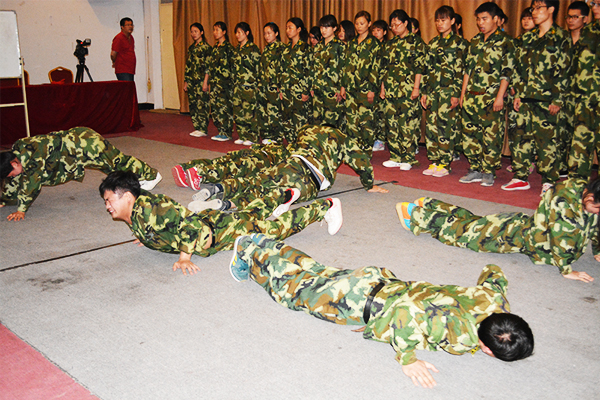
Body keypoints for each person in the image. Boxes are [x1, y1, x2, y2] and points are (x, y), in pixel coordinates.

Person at [229, 234, 534, 388]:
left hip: (379, 279)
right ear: (486, 348)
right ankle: (248, 252)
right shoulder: (454, 330)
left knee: (316, 271)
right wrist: (408, 360)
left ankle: (265, 242)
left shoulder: (494, 301)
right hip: (356, 300)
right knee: (292, 293)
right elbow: (406, 311)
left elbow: (494, 271)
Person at [99, 171, 344, 275]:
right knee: (249, 214)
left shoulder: (154, 208)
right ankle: (283, 195)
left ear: (128, 197)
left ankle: (326, 206)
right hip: (214, 223)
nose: (108, 206)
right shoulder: (136, 212)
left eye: (110, 200)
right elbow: (160, 228)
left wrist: (184, 257)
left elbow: (188, 226)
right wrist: (146, 237)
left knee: (274, 230)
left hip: (219, 232)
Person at [397, 177, 600, 283]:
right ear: (589, 197)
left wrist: (597, 250)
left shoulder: (581, 190)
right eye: (597, 208)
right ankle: (415, 214)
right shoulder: (564, 202)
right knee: (465, 235)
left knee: (475, 224)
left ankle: (431, 204)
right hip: (515, 236)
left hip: (520, 229)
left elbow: (595, 226)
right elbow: (561, 238)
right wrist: (566, 270)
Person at [189, 125, 388, 212]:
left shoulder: (307, 130)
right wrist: (369, 185)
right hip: (310, 179)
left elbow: (289, 149)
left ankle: (217, 188)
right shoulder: (342, 138)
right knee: (270, 196)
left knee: (255, 181)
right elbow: (361, 162)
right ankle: (224, 205)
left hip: (291, 163)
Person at [0, 127, 161, 221]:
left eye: (12, 173)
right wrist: (5, 200)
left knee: (118, 162)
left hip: (86, 145)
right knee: (112, 171)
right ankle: (138, 178)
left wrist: (21, 210)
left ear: (15, 163)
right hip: (73, 149)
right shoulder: (16, 152)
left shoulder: (33, 158)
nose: (12, 177)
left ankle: (151, 175)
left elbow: (31, 184)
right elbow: (13, 179)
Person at [504, 0, 570, 195]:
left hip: (546, 99)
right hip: (525, 98)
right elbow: (518, 68)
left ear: (551, 9)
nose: (534, 12)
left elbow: (564, 70)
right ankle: (520, 176)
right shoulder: (528, 37)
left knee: (547, 142)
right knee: (520, 138)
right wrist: (517, 92)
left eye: (539, 8)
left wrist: (558, 99)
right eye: (533, 8)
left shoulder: (561, 37)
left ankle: (549, 181)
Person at [459, 2, 515, 188]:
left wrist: (500, 96)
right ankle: (474, 168)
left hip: (491, 97)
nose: (480, 23)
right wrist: (463, 94)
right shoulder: (475, 41)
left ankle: (488, 171)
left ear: (496, 19)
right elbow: (467, 70)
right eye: (478, 19)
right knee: (470, 134)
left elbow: (507, 72)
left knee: (491, 135)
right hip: (472, 95)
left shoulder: (506, 41)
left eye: (484, 19)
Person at [420, 6, 467, 178]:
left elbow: (461, 71)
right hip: (433, 92)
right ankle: (434, 160)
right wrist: (424, 91)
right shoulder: (433, 43)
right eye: (438, 20)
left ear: (452, 21)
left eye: (444, 20)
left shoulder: (460, 43)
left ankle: (445, 163)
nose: (440, 23)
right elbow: (427, 69)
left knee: (446, 127)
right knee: (431, 127)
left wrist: (456, 93)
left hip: (448, 92)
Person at [380, 9, 425, 172]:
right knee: (391, 124)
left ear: (406, 23)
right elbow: (384, 68)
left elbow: (420, 67)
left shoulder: (416, 42)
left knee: (407, 125)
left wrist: (416, 88)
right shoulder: (390, 44)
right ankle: (395, 156)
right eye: (392, 25)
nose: (394, 28)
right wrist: (383, 87)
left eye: (397, 24)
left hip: (408, 90)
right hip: (391, 90)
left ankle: (408, 157)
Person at [340, 11, 381, 186]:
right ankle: (354, 153)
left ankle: (366, 153)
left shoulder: (374, 44)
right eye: (357, 23)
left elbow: (376, 68)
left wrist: (372, 89)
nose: (359, 26)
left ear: (369, 24)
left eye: (362, 23)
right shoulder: (351, 44)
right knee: (351, 123)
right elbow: (346, 66)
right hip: (350, 89)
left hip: (365, 90)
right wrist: (343, 85)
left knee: (366, 123)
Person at [568, 0, 599, 181]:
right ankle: (577, 184)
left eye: (599, 4)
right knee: (580, 145)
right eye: (593, 3)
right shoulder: (588, 31)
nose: (595, 8)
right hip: (585, 98)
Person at [559, 2, 590, 175]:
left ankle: (579, 170)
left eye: (575, 17)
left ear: (585, 19)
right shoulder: (562, 39)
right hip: (563, 94)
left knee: (581, 133)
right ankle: (563, 166)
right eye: (568, 17)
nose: (571, 20)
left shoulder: (591, 39)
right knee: (562, 131)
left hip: (584, 95)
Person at [278, 17, 312, 143]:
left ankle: (301, 146)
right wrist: (281, 89)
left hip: (299, 91)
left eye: (290, 27)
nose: (288, 30)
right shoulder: (286, 49)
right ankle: (291, 144)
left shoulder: (305, 48)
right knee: (287, 121)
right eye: (287, 28)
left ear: (298, 29)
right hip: (287, 91)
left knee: (300, 121)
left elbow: (308, 71)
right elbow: (282, 70)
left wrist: (305, 91)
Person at [311, 15, 345, 128]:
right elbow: (314, 68)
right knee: (317, 123)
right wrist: (312, 86)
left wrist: (341, 89)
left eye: (326, 27)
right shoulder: (318, 46)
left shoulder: (340, 46)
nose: (323, 30)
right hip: (318, 90)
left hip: (332, 91)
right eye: (321, 27)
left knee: (331, 124)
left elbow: (344, 68)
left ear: (334, 28)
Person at [232, 22, 261, 146]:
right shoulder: (237, 49)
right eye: (236, 32)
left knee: (250, 113)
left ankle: (252, 136)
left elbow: (258, 68)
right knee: (239, 112)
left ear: (247, 33)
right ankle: (242, 135)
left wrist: (257, 85)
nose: (237, 35)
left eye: (240, 32)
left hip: (249, 86)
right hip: (238, 85)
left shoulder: (253, 48)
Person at [257, 22, 285, 145]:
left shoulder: (281, 48)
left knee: (274, 113)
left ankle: (276, 137)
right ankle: (267, 135)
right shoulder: (266, 49)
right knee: (264, 112)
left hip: (275, 86)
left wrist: (281, 86)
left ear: (276, 33)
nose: (266, 36)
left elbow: (284, 68)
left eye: (269, 33)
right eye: (265, 34)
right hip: (264, 86)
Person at [207, 22, 235, 142]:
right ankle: (220, 131)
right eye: (214, 30)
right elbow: (210, 66)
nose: (215, 32)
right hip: (215, 84)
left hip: (225, 85)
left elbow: (232, 67)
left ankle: (226, 132)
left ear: (224, 32)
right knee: (215, 109)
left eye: (218, 30)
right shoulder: (215, 48)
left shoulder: (228, 48)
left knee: (224, 108)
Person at [184, 23, 211, 138]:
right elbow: (188, 66)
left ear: (201, 32)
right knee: (193, 104)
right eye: (192, 32)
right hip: (192, 81)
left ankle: (203, 128)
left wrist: (205, 82)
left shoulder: (206, 47)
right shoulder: (191, 48)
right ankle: (197, 127)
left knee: (202, 104)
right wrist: (186, 81)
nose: (193, 34)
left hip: (201, 81)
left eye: (196, 31)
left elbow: (208, 67)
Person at [370, 19, 389, 152]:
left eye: (378, 30)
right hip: (372, 84)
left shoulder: (386, 47)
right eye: (374, 30)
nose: (375, 33)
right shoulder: (371, 46)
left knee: (381, 112)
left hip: (383, 84)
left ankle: (381, 139)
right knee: (373, 113)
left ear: (385, 32)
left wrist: (383, 86)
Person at [111, 17, 136, 81]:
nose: (130, 27)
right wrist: (114, 62)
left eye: (131, 25)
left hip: (130, 70)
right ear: (122, 27)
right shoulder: (119, 38)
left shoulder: (131, 37)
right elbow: (113, 54)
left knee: (130, 87)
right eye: (128, 25)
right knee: (126, 87)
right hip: (123, 70)